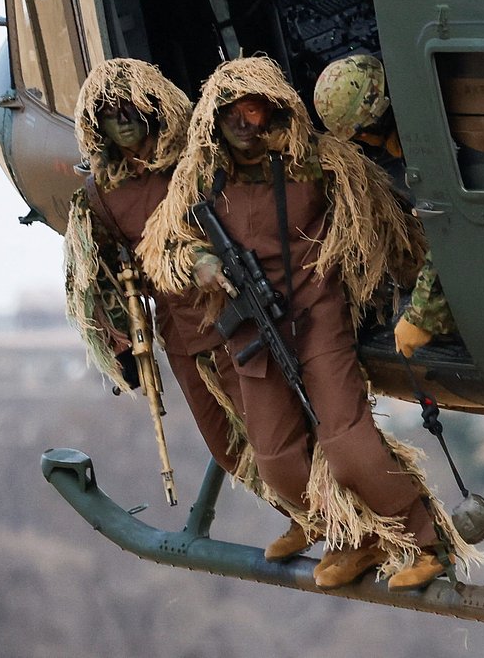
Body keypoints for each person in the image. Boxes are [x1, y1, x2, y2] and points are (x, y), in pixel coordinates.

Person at [139, 56, 479, 592]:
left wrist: (425, 303)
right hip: (250, 329)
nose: (248, 129)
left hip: (316, 317)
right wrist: (202, 263)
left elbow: (387, 222)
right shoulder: (200, 176)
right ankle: (351, 538)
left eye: (257, 114)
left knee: (347, 442)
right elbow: (165, 242)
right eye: (236, 118)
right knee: (275, 458)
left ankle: (424, 540)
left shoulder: (322, 163)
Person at [63, 59, 307, 557]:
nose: (124, 119)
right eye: (110, 113)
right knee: (226, 444)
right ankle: (301, 516)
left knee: (275, 431)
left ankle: (330, 515)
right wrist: (121, 346)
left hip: (240, 313)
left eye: (133, 107)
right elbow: (100, 274)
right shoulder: (102, 194)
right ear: (98, 125)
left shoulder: (198, 161)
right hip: (182, 334)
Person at [311, 54, 459, 358]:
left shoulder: (426, 148)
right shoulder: (425, 110)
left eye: (359, 136)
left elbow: (453, 229)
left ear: (368, 130)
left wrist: (420, 317)